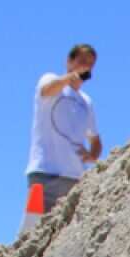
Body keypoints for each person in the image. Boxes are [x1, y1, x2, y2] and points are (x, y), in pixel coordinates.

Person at [25, 44, 102, 212]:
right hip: (43, 173)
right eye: (82, 61)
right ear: (69, 61)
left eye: (90, 63)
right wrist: (69, 78)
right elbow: (47, 90)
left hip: (75, 178)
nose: (86, 66)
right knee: (33, 226)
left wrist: (91, 155)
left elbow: (95, 139)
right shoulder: (50, 79)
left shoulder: (86, 102)